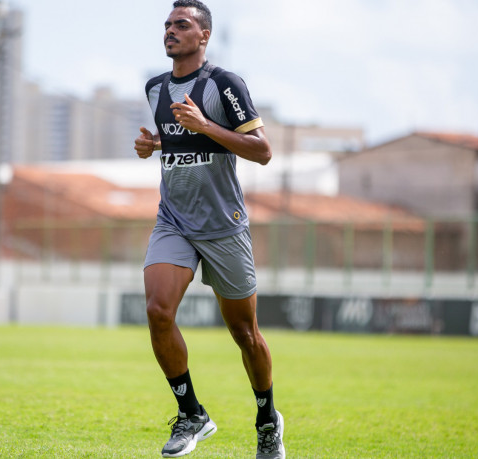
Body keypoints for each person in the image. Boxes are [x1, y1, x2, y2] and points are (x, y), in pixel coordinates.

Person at [134, 1, 284, 457]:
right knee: (159, 310)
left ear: (203, 36)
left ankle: (266, 419)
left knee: (245, 334)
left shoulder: (224, 84)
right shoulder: (156, 87)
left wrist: (206, 124)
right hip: (174, 219)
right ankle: (191, 414)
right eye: (167, 24)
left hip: (223, 226)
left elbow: (262, 151)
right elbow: (179, 139)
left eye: (182, 24)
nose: (170, 30)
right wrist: (153, 145)